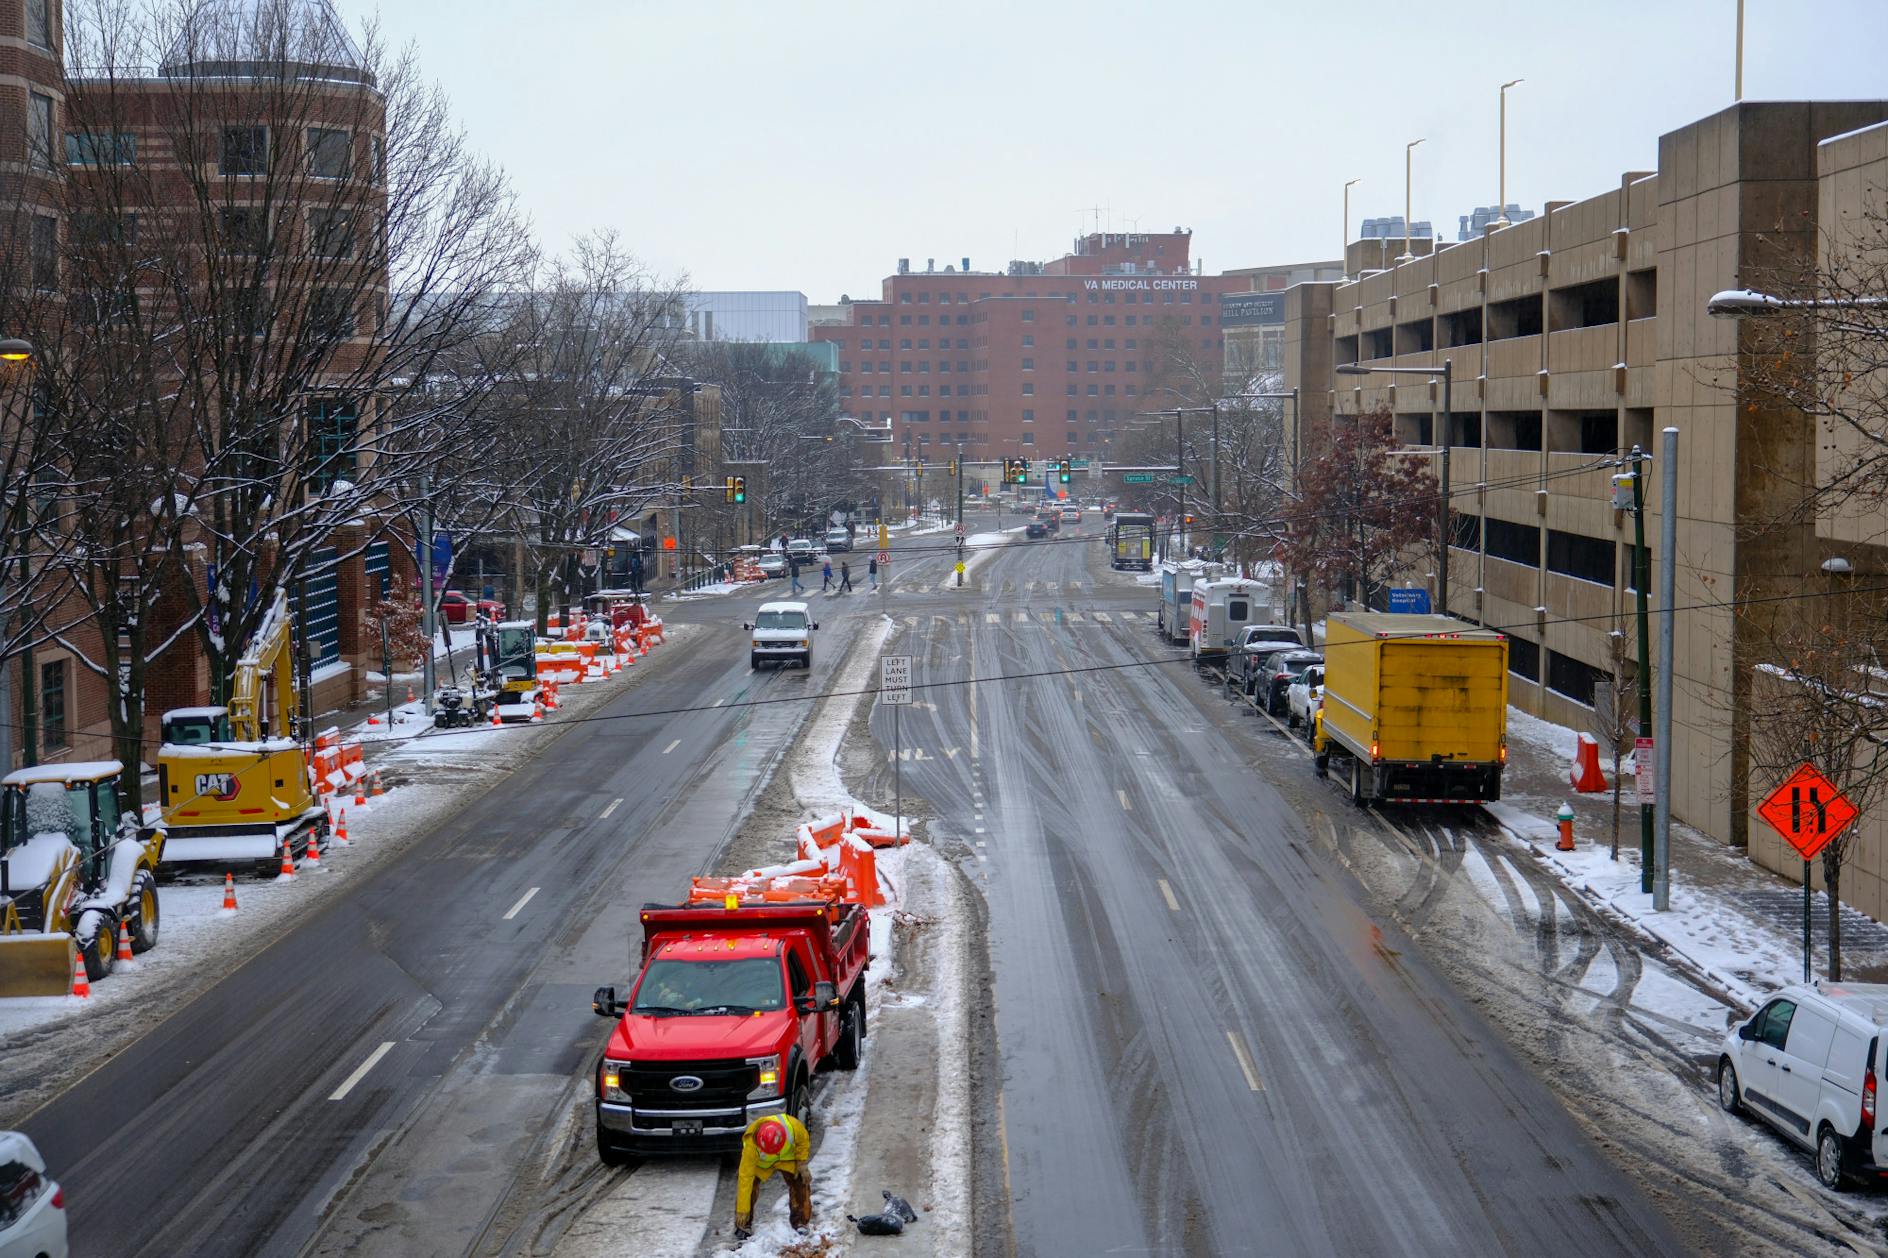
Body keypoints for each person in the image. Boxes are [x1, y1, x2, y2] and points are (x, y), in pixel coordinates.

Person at [733, 1112, 812, 1239]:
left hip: (787, 1159)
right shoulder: (751, 1147)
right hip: (762, 1165)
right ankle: (744, 1225)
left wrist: (802, 1163)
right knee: (749, 1187)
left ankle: (800, 1222)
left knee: (800, 1183)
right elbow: (745, 1178)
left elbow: (803, 1142)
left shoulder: (793, 1126)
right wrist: (742, 1210)